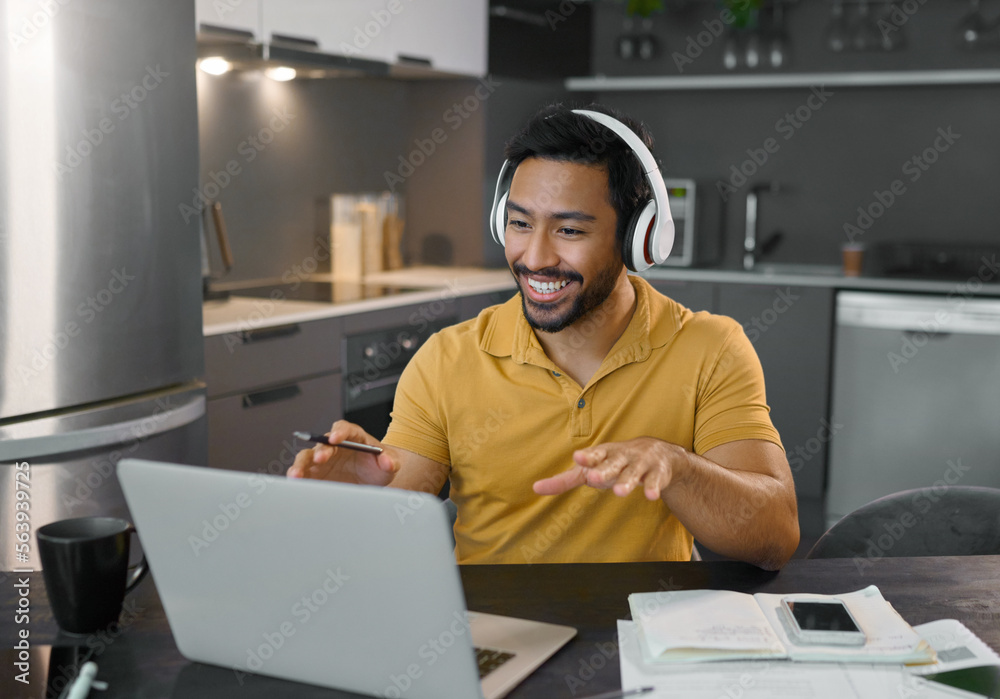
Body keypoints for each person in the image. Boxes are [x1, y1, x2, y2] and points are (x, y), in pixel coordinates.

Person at [289, 103, 799, 570]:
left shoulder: (710, 348)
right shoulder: (448, 359)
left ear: (638, 237)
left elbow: (774, 541)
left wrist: (678, 467)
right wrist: (355, 500)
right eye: (519, 223)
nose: (535, 258)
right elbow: (394, 523)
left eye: (570, 231)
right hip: (494, 635)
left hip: (641, 631)